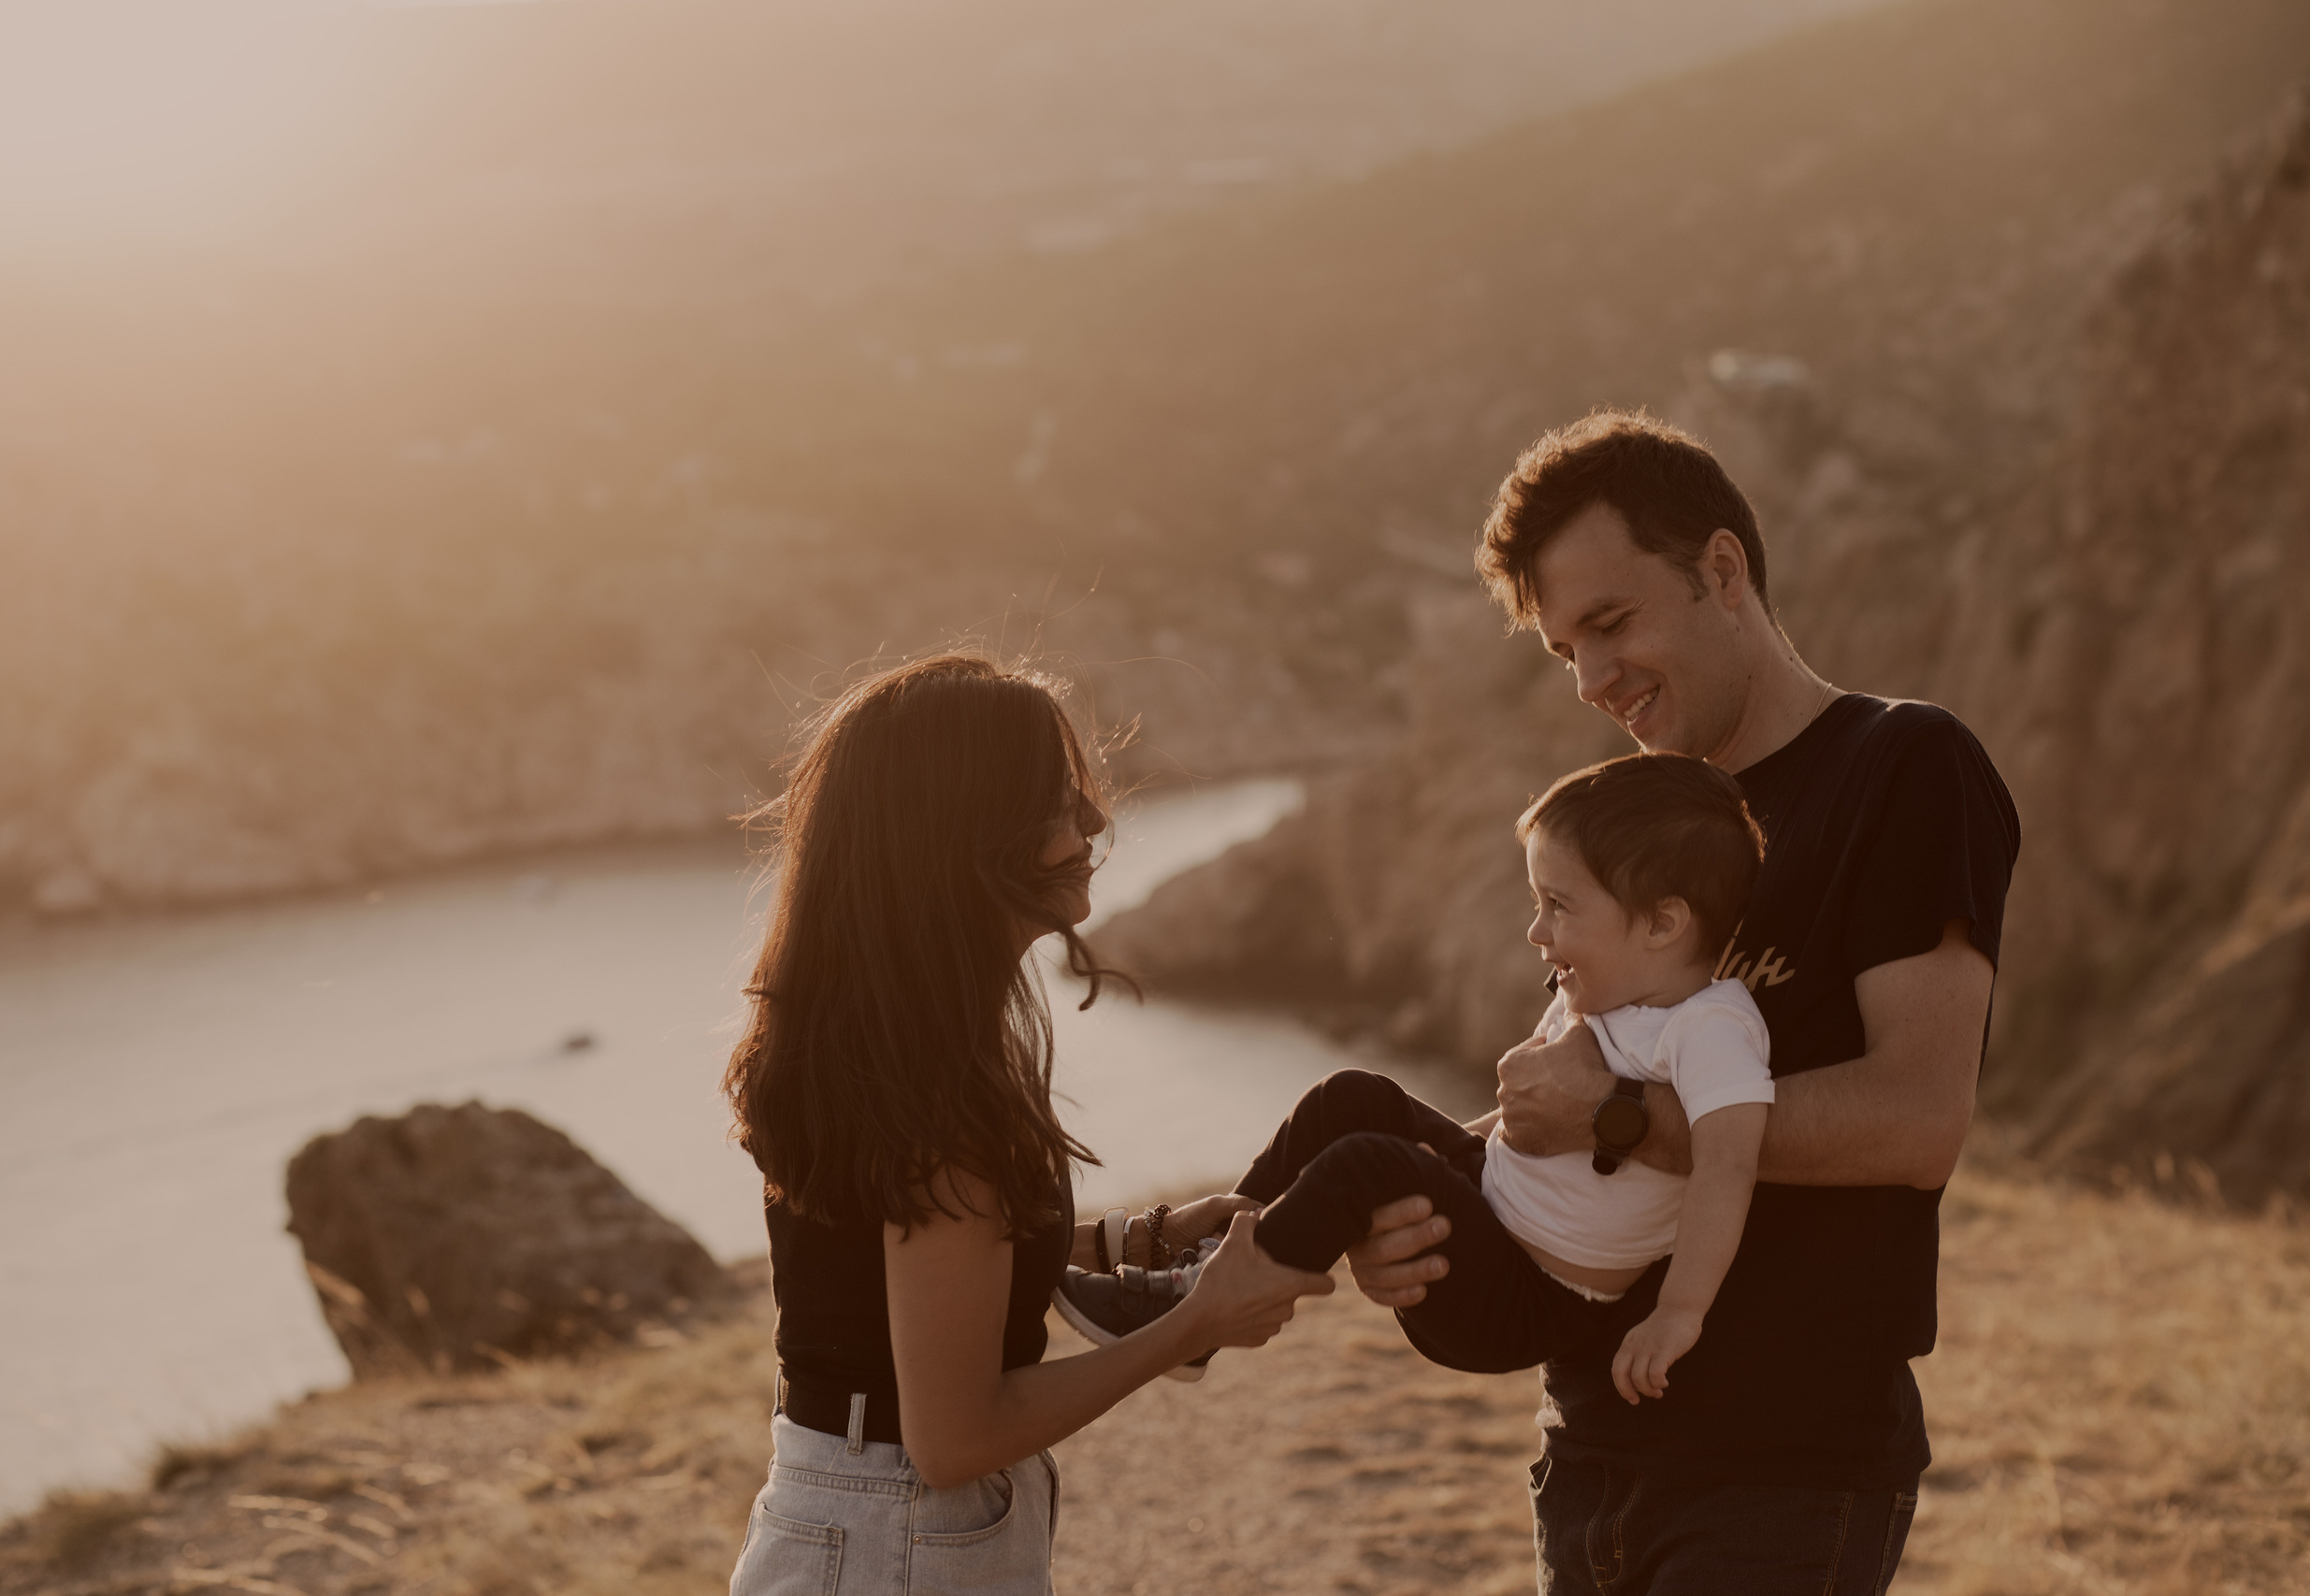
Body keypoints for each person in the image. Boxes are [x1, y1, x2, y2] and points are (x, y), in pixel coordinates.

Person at [1346, 411, 2020, 1592]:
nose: (1595, 681)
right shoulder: (1630, 824)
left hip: (1781, 1470)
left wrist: (1614, 1118)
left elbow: (1918, 1120)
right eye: (1565, 653)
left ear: (1722, 569)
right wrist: (1411, 1213)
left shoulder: (1901, 766)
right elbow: (1566, 1105)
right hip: (1588, 1457)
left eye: (1611, 624)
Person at [720, 654, 1335, 1596]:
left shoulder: (875, 1046)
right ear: (960, 838)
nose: (1093, 822)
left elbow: (892, 1276)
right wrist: (1198, 1321)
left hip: (849, 1522)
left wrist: (1130, 1240)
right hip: (897, 1542)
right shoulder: (937, 1099)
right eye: (1056, 803)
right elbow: (956, 1438)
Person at [1055, 752, 1776, 1408]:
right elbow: (1519, 1123)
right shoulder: (1592, 991)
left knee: (1366, 1163)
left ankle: (1192, 1312)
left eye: (1560, 906)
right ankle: (1209, 1258)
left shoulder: (1711, 1027)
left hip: (1527, 1299)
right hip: (1488, 1220)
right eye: (1537, 903)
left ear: (1662, 924)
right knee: (1353, 1096)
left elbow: (1728, 1164)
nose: (1536, 930)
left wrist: (1680, 1311)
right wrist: (1432, 1167)